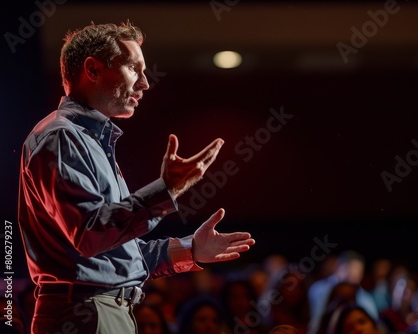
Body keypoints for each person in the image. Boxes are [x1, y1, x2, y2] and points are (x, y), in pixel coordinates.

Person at [17, 21, 255, 334]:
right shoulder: (62, 137)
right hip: (87, 314)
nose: (144, 83)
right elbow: (90, 235)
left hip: (99, 310)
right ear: (93, 69)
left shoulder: (85, 141)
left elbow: (115, 253)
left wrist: (190, 250)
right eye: (133, 68)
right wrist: (166, 190)